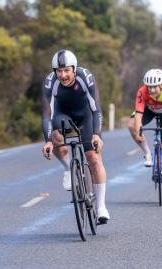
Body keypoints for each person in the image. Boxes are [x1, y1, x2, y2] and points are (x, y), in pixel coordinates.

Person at [41, 49, 110, 224]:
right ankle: (69, 168)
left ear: (74, 68)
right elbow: (46, 115)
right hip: (63, 115)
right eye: (59, 71)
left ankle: (101, 206)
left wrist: (96, 135)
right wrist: (48, 141)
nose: (63, 75)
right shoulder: (50, 82)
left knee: (93, 157)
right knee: (57, 137)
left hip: (86, 115)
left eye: (66, 71)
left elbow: (96, 109)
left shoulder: (85, 77)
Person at [128, 68, 162, 196]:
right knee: (131, 125)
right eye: (149, 87)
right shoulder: (142, 92)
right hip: (149, 111)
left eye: (154, 87)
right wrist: (138, 133)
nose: (151, 90)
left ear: (161, 85)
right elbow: (138, 115)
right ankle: (147, 153)